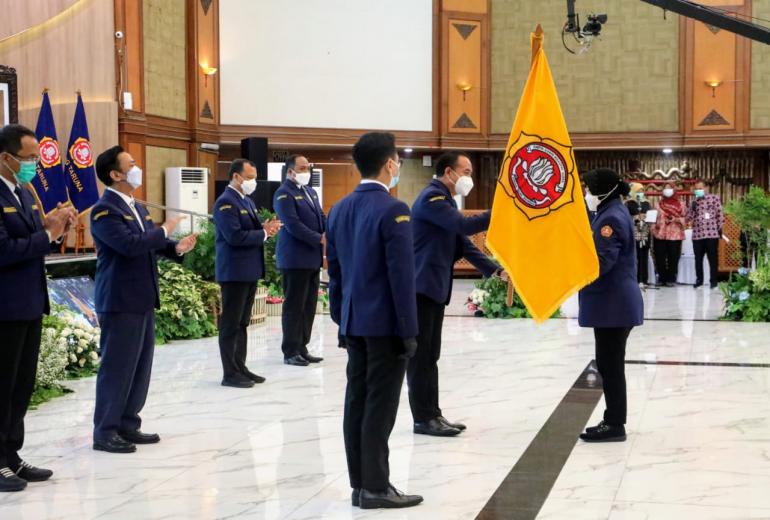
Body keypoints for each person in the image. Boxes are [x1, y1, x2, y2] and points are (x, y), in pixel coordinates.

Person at [327, 132, 422, 509]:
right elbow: (402, 278)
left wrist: (341, 317)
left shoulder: (339, 209)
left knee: (357, 401)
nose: (398, 165)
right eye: (397, 159)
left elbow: (334, 272)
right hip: (384, 326)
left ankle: (360, 484)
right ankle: (376, 487)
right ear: (389, 164)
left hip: (354, 321)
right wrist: (408, 330)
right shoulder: (393, 209)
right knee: (380, 407)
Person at [91, 146, 198, 453]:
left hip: (142, 297)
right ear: (115, 174)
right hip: (120, 299)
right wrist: (164, 229)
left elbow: (151, 242)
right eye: (132, 164)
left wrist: (175, 247)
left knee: (139, 366)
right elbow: (129, 245)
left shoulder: (136, 207)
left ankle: (128, 423)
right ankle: (105, 431)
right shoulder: (104, 210)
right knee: (117, 367)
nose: (137, 168)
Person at [0, 124, 76, 491]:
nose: (34, 164)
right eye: (29, 158)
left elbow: (36, 239)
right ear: (6, 157)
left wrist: (56, 229)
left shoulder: (25, 191)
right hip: (5, 307)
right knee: (2, 386)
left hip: (30, 302)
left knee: (21, 386)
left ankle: (11, 455)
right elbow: (4, 250)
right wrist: (46, 233)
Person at [409, 151, 499, 437]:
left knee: (430, 355)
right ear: (449, 172)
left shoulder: (445, 200)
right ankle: (423, 418)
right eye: (467, 172)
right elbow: (463, 226)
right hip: (422, 288)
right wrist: (500, 213)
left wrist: (495, 270)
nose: (469, 178)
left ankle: (433, 413)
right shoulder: (432, 198)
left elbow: (463, 244)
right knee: (421, 357)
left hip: (433, 288)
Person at [578, 168, 643, 443]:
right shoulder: (610, 211)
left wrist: (570, 272)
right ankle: (613, 420)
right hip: (612, 304)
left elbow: (602, 262)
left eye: (589, 188)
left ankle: (615, 424)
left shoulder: (611, 218)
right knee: (608, 364)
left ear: (603, 190)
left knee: (611, 366)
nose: (586, 193)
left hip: (614, 305)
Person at [213, 159, 280, 388]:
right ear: (236, 177)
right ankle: (229, 373)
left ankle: (240, 366)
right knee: (231, 324)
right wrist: (263, 233)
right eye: (249, 177)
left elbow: (251, 232)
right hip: (234, 272)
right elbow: (234, 236)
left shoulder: (247, 201)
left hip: (249, 271)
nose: (253, 182)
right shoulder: (225, 202)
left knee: (242, 323)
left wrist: (266, 230)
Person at [273, 155, 326, 367]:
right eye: (302, 168)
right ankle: (290, 350)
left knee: (309, 305)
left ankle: (302, 346)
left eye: (308, 167)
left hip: (312, 258)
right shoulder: (283, 193)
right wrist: (319, 238)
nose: (306, 171)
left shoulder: (310, 192)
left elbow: (321, 217)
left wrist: (331, 231)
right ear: (290, 171)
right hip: (295, 259)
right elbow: (293, 225)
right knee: (294, 306)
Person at [687, 180, 724, 289]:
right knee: (698, 259)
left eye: (700, 188)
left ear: (706, 188)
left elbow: (720, 215)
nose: (698, 190)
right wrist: (692, 209)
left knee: (712, 259)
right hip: (697, 235)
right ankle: (699, 281)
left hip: (711, 234)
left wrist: (719, 229)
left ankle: (714, 282)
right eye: (696, 189)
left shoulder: (714, 198)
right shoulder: (693, 202)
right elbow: (688, 218)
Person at [652, 182, 685, 286]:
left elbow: (686, 218)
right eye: (665, 188)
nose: (667, 190)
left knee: (673, 257)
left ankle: (671, 279)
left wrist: (676, 219)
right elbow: (653, 219)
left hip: (675, 235)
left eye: (669, 188)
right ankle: (662, 278)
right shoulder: (657, 204)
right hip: (660, 234)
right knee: (659, 257)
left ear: (674, 189)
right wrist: (653, 230)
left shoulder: (681, 204)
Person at [625, 184, 651, 287]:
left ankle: (644, 280)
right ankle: (635, 279)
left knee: (644, 255)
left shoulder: (646, 203)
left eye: (642, 191)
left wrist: (647, 217)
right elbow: (625, 218)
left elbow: (650, 215)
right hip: (634, 231)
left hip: (645, 231)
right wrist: (635, 217)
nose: (641, 193)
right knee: (635, 256)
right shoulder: (628, 203)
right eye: (638, 191)